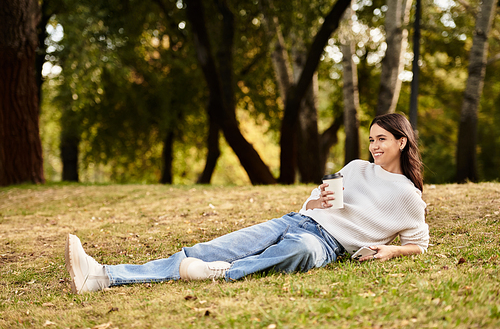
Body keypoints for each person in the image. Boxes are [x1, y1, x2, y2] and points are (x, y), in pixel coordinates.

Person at [65, 113, 429, 294]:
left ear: (402, 141)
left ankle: (226, 273)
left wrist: (391, 252)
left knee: (300, 250)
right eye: (370, 139)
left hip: (325, 243)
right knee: (205, 249)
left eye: (382, 139)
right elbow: (317, 199)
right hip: (297, 221)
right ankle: (102, 275)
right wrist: (316, 201)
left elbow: (419, 243)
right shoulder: (355, 167)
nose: (374, 146)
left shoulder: (408, 196)